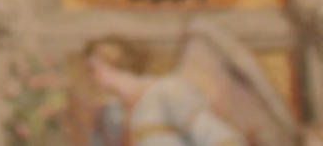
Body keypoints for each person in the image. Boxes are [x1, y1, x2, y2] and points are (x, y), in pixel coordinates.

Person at [83, 38, 246, 146]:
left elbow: (216, 134)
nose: (90, 77)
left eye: (92, 69)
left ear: (109, 63)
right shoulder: (112, 113)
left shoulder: (167, 90)